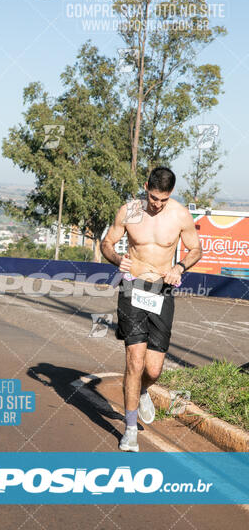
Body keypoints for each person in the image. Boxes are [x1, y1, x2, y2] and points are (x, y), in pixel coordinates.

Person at [100, 167, 202, 452]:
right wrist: (118, 258)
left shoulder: (180, 215)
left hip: (162, 290)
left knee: (153, 369)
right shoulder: (130, 211)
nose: (157, 204)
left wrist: (179, 267)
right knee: (134, 360)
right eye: (154, 197)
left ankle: (144, 389)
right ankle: (130, 430)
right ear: (146, 187)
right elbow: (106, 243)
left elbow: (196, 249)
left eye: (163, 199)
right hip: (132, 287)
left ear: (171, 194)